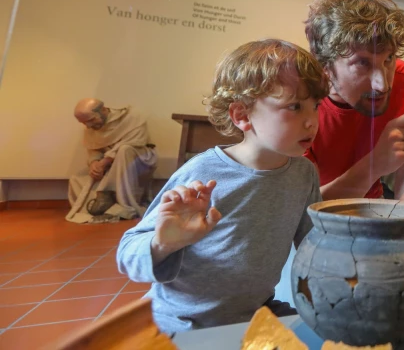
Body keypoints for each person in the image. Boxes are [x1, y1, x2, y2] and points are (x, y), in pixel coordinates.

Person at [117, 39, 328, 332]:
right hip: (183, 322)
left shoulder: (304, 173)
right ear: (242, 115)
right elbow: (127, 255)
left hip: (257, 313)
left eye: (315, 106)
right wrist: (164, 243)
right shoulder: (203, 171)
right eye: (294, 106)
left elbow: (313, 245)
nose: (312, 122)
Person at [303, 0, 404, 202]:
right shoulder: (301, 96)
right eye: (362, 63)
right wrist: (376, 163)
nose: (382, 85)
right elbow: (307, 208)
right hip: (318, 214)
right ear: (325, 66)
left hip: (374, 203)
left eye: (389, 58)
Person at [67, 98, 158, 223]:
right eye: (83, 123)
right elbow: (94, 149)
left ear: (103, 110)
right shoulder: (91, 128)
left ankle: (123, 205)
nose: (88, 126)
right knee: (76, 179)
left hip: (137, 158)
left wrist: (104, 163)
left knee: (124, 150)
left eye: (91, 120)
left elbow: (136, 142)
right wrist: (94, 163)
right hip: (108, 165)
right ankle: (102, 205)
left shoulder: (132, 117)